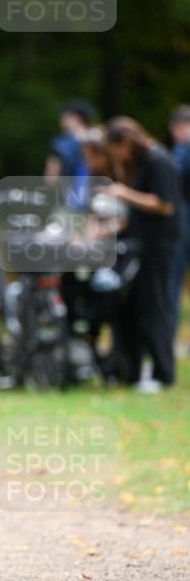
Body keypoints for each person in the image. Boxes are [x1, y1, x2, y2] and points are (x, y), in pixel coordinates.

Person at [105, 116, 181, 392]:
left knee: (155, 306)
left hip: (158, 245)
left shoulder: (158, 160)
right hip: (140, 243)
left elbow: (165, 205)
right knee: (135, 307)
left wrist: (124, 193)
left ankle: (163, 372)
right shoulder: (143, 163)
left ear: (128, 141)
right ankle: (134, 370)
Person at [45, 98, 94, 209]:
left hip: (68, 205)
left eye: (64, 116)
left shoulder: (61, 144)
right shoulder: (99, 141)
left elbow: (51, 178)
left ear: (75, 117)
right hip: (95, 204)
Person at [168, 104, 190, 329]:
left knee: (171, 283)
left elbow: (172, 183)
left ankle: (167, 336)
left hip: (183, 222)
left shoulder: (182, 149)